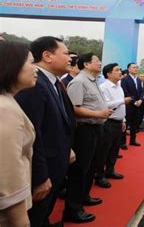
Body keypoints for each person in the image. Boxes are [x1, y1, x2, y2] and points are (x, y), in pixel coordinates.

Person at [15, 36, 76, 226]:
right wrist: (40, 177)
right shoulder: (35, 85)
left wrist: (67, 149)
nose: (70, 59)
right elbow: (33, 135)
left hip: (56, 163)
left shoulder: (52, 82)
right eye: (65, 53)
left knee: (44, 215)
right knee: (36, 216)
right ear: (47, 56)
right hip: (43, 170)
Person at [64, 53, 112, 223]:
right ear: (86, 64)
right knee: (80, 170)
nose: (100, 64)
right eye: (97, 61)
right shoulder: (78, 82)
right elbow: (74, 109)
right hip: (84, 131)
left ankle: (84, 197)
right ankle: (72, 209)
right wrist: (98, 113)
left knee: (92, 166)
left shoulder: (92, 80)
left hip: (96, 128)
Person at [0, 42, 36, 226]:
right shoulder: (4, 108)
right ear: (12, 65)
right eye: (31, 62)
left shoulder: (8, 100)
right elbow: (7, 175)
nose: (35, 68)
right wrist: (20, 219)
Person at [95, 63, 132, 189]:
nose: (120, 72)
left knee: (114, 149)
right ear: (108, 74)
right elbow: (105, 104)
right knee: (104, 150)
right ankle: (99, 176)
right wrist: (122, 101)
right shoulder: (103, 87)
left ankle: (110, 171)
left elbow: (122, 107)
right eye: (117, 70)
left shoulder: (119, 87)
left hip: (118, 122)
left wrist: (124, 120)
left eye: (120, 70)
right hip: (108, 122)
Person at [120, 63, 144, 146]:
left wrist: (141, 99)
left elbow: (141, 91)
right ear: (129, 69)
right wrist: (134, 101)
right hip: (129, 105)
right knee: (126, 124)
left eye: (136, 67)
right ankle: (123, 142)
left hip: (137, 105)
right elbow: (125, 92)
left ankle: (133, 140)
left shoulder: (138, 79)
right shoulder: (125, 79)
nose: (136, 69)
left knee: (134, 124)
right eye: (134, 67)